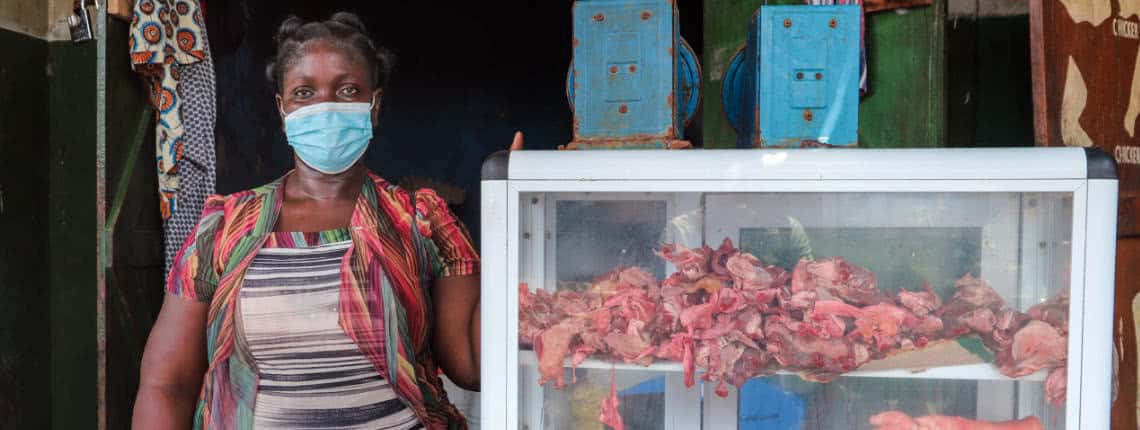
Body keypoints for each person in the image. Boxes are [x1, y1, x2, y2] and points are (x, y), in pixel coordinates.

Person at [132, 12, 522, 429]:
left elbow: (473, 366)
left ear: (375, 104)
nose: (326, 107)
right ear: (282, 109)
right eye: (304, 92)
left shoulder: (421, 219)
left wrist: (513, 208)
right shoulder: (225, 226)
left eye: (348, 89)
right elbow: (166, 383)